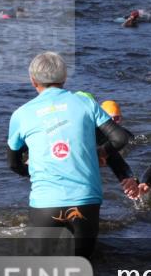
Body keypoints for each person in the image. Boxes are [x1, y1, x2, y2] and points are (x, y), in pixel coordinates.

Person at [7, 52, 132, 258]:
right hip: (85, 201)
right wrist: (99, 152)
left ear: (32, 80)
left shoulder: (21, 114)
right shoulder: (85, 103)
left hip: (45, 203)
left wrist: (33, 171)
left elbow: (13, 163)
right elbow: (120, 138)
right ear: (65, 78)